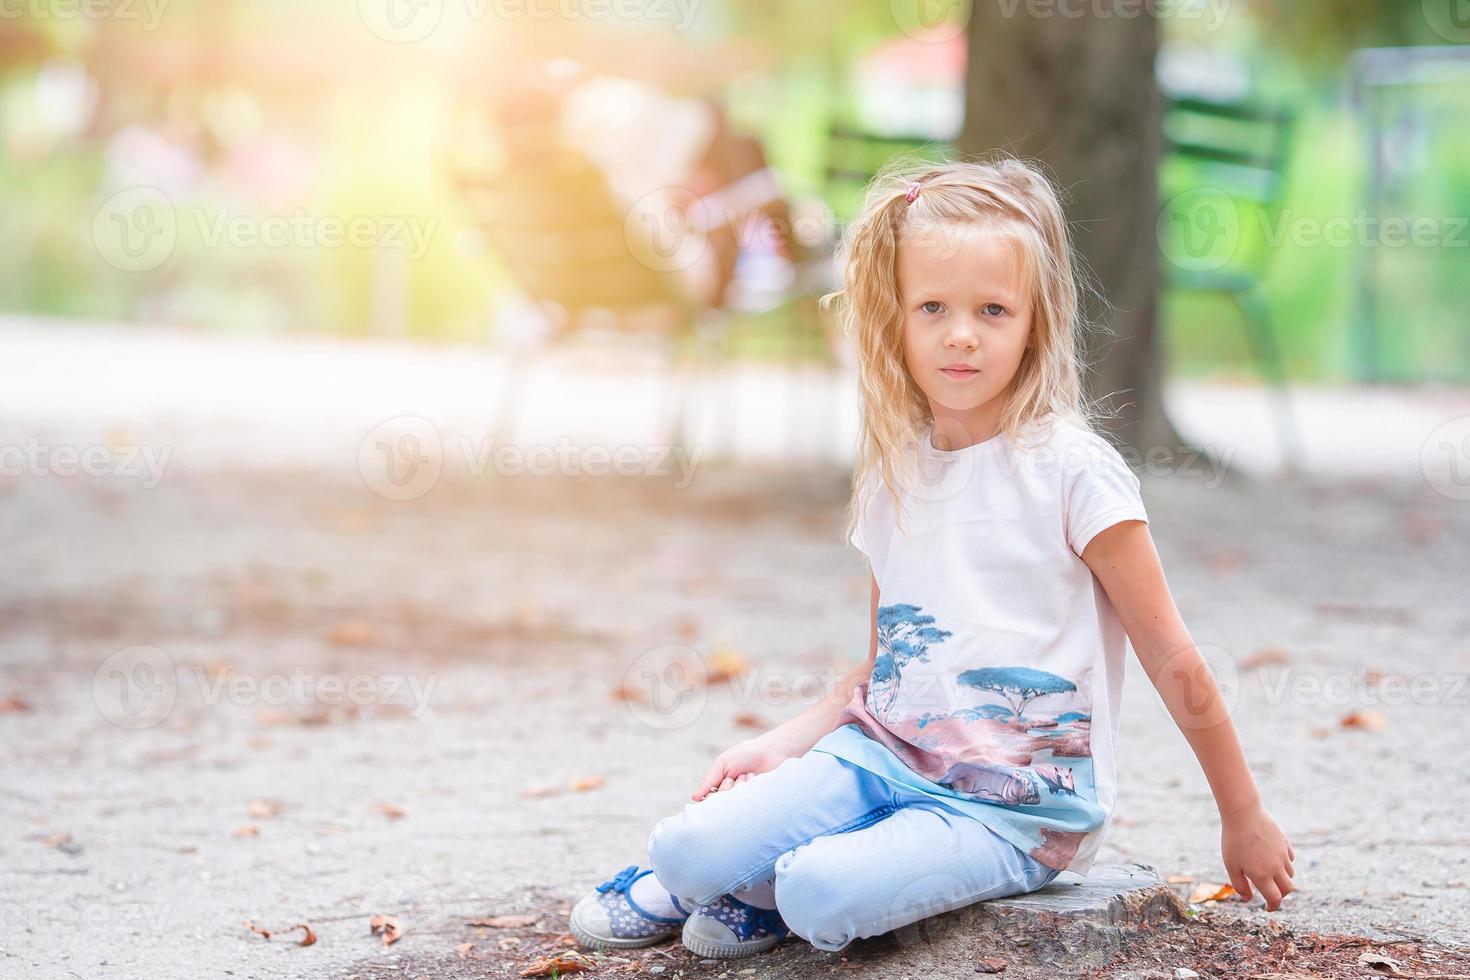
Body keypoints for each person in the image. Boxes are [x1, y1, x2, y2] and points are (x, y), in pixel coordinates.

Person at [568, 155, 1297, 959]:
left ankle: (769, 890)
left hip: (1015, 809)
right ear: (896, 321)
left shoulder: (1074, 472)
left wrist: (1242, 811)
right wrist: (786, 741)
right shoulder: (893, 471)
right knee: (683, 849)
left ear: (1036, 321)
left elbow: (1171, 652)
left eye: (993, 309)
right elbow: (886, 670)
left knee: (818, 888)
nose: (961, 334)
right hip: (880, 757)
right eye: (933, 307)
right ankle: (728, 875)